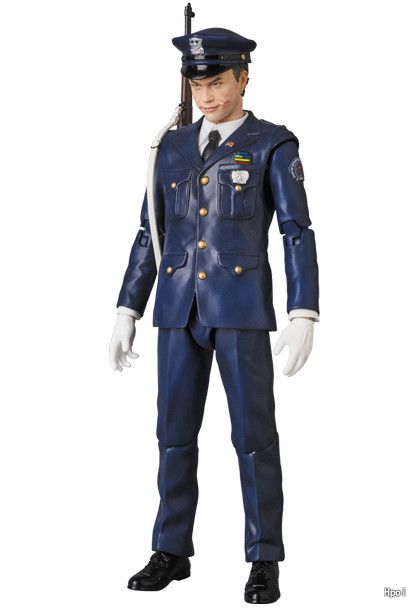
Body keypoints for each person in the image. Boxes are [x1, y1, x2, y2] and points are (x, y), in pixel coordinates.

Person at [109, 27, 320, 604]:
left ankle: (264, 556)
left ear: (243, 78)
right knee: (173, 434)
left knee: (254, 436)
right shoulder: (171, 147)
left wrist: (304, 309)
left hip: (240, 308)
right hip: (178, 309)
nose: (206, 95)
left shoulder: (272, 144)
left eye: (218, 82)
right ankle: (171, 549)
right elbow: (150, 231)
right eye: (197, 85)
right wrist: (128, 306)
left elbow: (297, 232)